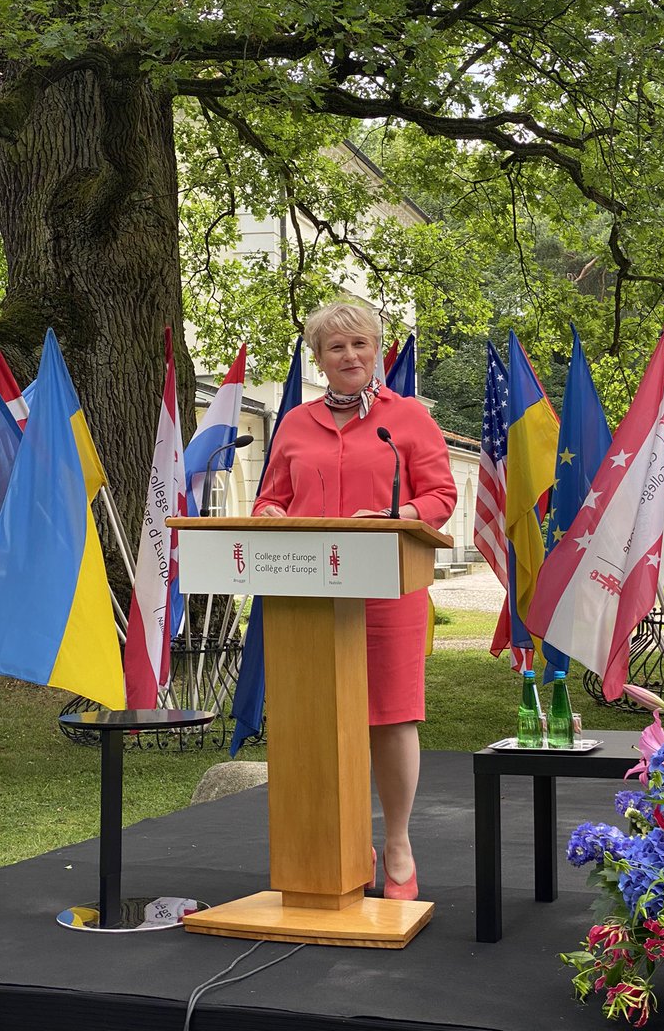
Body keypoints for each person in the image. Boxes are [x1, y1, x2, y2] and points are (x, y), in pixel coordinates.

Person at [253, 302, 456, 901]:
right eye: (336, 348)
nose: (351, 357)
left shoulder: (409, 418)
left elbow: (441, 495)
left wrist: (402, 516)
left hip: (388, 591)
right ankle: (340, 843)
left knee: (392, 718)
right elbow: (272, 499)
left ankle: (397, 842)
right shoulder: (293, 423)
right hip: (309, 598)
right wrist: (268, 516)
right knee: (318, 719)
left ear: (377, 351)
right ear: (318, 359)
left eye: (361, 344)